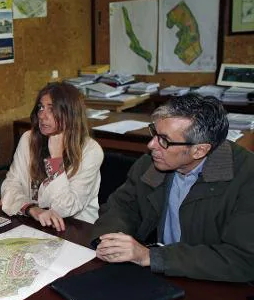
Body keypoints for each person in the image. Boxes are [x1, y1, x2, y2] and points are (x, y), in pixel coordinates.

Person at [92, 93, 254, 282]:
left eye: (164, 140)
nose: (151, 145)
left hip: (213, 285)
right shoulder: (152, 164)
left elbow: (243, 259)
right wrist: (110, 240)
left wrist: (151, 256)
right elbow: (121, 206)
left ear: (199, 150)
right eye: (154, 133)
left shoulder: (247, 178)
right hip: (162, 273)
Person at [1, 83, 104, 230]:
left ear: (70, 114)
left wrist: (56, 160)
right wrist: (32, 209)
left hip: (75, 229)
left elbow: (65, 208)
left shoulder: (90, 150)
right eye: (41, 108)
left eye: (51, 109)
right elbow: (11, 184)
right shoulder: (29, 139)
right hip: (35, 223)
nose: (42, 116)